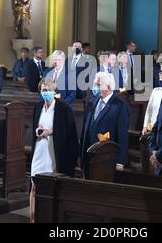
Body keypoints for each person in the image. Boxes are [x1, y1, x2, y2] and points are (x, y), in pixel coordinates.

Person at [29, 78, 78, 223]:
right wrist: (39, 130)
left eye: (49, 90)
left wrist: (51, 132)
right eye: (44, 90)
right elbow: (35, 126)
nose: (46, 93)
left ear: (54, 91)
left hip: (55, 151)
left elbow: (70, 133)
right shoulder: (38, 107)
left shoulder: (63, 108)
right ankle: (32, 219)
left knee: (52, 185)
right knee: (34, 185)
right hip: (39, 149)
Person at [80, 72, 129, 178]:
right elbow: (85, 130)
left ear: (109, 86)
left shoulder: (120, 106)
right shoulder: (92, 102)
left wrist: (120, 162)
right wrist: (80, 154)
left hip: (106, 158)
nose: (95, 88)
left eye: (98, 85)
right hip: (88, 156)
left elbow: (122, 135)